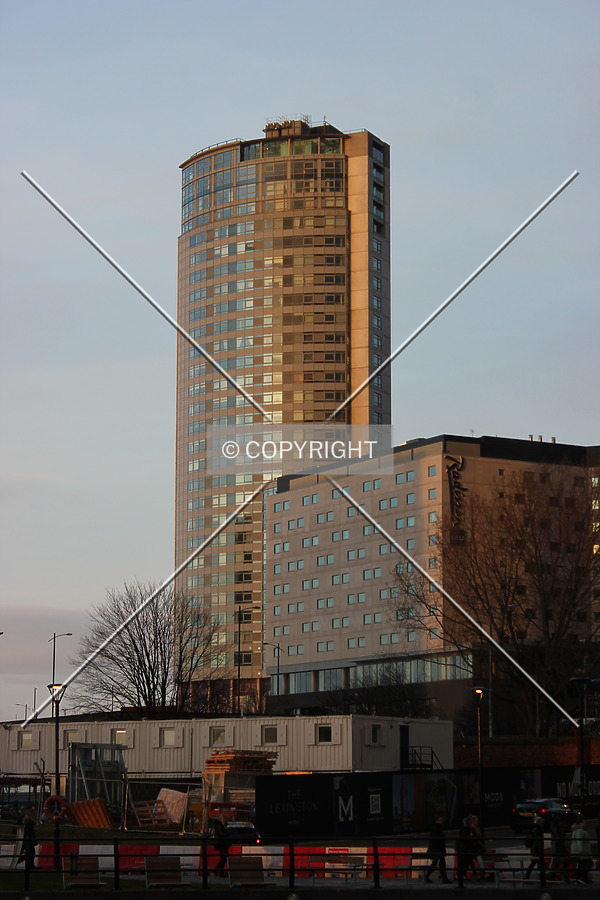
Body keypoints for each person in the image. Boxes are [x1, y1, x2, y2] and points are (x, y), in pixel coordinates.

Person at [424, 813, 451, 883]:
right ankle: (443, 878)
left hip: (436, 849)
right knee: (439, 864)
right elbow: (437, 839)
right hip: (437, 849)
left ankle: (443, 878)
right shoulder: (437, 829)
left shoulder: (435, 828)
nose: (442, 821)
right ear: (437, 820)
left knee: (439, 864)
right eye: (440, 819)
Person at [524, 816, 546, 886]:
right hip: (537, 849)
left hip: (535, 849)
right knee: (539, 864)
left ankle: (527, 877)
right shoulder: (538, 829)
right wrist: (540, 850)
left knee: (534, 863)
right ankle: (542, 880)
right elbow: (538, 841)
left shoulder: (536, 829)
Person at [571, 815, 593, 884]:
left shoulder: (578, 831)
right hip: (582, 852)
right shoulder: (580, 831)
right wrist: (581, 851)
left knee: (582, 865)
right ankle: (583, 878)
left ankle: (582, 878)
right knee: (585, 864)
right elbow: (579, 841)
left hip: (580, 851)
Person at [455, 816, 476, 888]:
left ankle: (462, 875)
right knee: (466, 862)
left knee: (467, 862)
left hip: (465, 849)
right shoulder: (466, 829)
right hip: (465, 849)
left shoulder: (466, 829)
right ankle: (462, 875)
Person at [549, 817, 570, 882]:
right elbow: (559, 840)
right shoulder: (557, 830)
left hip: (559, 848)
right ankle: (560, 876)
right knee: (559, 863)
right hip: (559, 848)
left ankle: (555, 876)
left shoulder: (557, 830)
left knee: (559, 863)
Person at [211, 813, 229, 878]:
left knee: (223, 858)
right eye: (225, 819)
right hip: (221, 844)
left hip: (222, 844)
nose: (226, 820)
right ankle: (218, 871)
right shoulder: (220, 826)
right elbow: (222, 834)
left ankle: (219, 871)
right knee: (223, 859)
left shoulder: (221, 825)